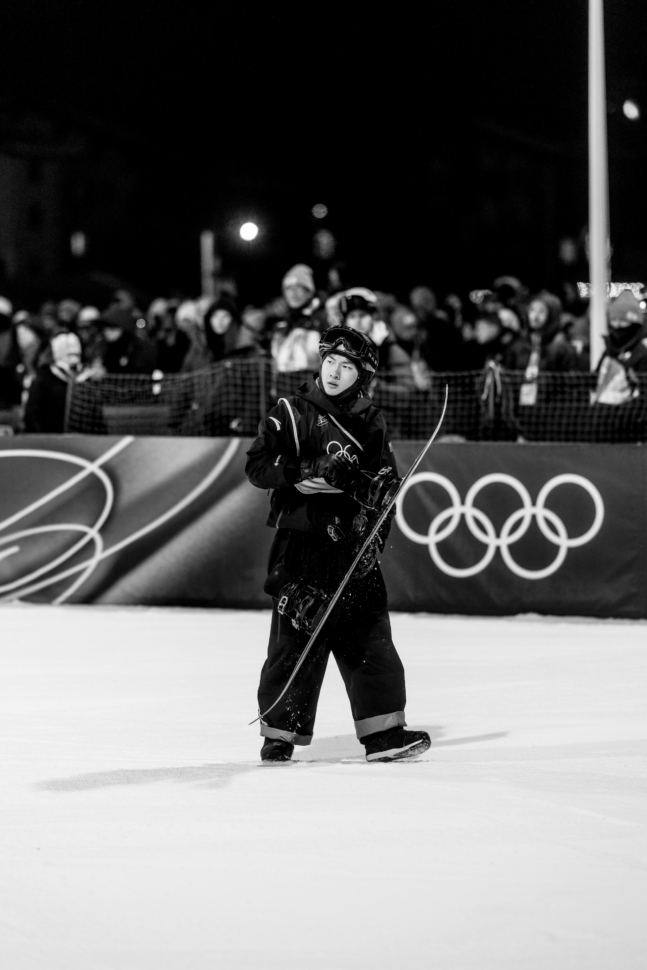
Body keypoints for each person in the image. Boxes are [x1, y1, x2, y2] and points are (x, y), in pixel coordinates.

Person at [245, 325, 431, 764]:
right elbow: (257, 466)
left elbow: (382, 492)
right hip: (302, 542)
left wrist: (374, 532)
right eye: (330, 361)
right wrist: (305, 467)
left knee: (369, 637)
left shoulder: (371, 422)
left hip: (351, 546)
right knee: (294, 637)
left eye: (346, 366)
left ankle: (384, 733)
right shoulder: (291, 411)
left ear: (362, 375)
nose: (334, 371)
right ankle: (279, 735)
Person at [270, 264, 325, 372]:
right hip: (284, 385)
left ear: (309, 292)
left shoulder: (322, 318)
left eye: (299, 288)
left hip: (312, 385)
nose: (293, 293)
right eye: (289, 289)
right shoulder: (281, 322)